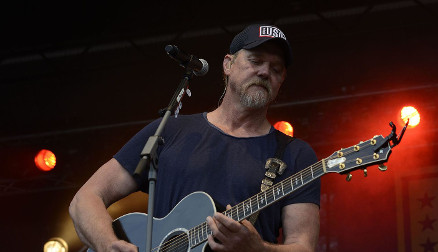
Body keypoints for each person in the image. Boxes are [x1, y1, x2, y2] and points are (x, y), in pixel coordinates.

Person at [69, 24, 321, 252]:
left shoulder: (295, 154)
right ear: (228, 64)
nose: (265, 72)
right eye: (255, 61)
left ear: (281, 81)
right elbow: (87, 197)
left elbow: (303, 246)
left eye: (276, 69)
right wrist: (106, 245)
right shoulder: (170, 130)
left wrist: (258, 250)